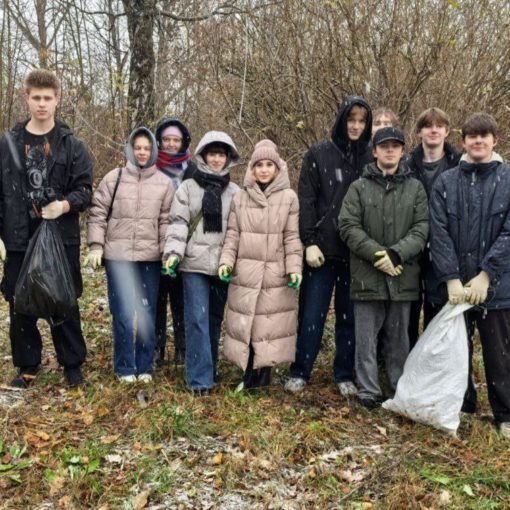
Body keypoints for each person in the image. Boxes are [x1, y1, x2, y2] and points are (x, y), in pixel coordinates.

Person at [0, 69, 93, 388]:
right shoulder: (9, 143)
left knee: (63, 299)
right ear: (26, 98)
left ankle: (72, 364)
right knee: (19, 300)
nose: (42, 104)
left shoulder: (71, 145)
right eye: (36, 98)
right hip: (17, 237)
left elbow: (85, 190)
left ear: (57, 99)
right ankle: (27, 365)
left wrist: (64, 206)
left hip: (60, 237)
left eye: (47, 98)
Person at [285, 96, 373, 396]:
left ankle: (344, 373)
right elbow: (306, 199)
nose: (356, 126)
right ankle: (300, 370)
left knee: (349, 317)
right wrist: (308, 241)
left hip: (356, 253)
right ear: (341, 120)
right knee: (312, 314)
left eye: (362, 121)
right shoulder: (319, 154)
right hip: (321, 250)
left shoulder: (372, 158)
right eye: (351, 119)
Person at [430, 113, 510, 438]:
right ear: (462, 142)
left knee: (500, 353)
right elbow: (439, 233)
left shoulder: (508, 179)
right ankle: (462, 406)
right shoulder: (446, 182)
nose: (478, 141)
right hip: (457, 289)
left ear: (495, 140)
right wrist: (451, 278)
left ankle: (505, 413)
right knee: (455, 350)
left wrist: (487, 274)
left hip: (499, 287)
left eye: (484, 135)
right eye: (472, 136)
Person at [339, 127, 428, 409]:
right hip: (367, 277)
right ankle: (368, 390)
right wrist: (378, 256)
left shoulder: (415, 188)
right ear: (374, 151)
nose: (390, 150)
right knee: (365, 338)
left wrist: (396, 254)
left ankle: (397, 387)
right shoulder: (358, 187)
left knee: (399, 338)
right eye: (384, 146)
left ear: (402, 151)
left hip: (403, 276)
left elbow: (422, 228)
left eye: (395, 146)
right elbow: (348, 226)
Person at [87, 127, 174, 383]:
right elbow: (98, 212)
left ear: (154, 150)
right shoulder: (114, 178)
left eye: (147, 148)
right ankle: (125, 366)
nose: (142, 152)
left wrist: (167, 252)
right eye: (138, 147)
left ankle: (145, 366)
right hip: (119, 257)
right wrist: (95, 245)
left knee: (147, 313)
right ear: (130, 149)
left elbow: (166, 221)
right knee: (123, 313)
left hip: (150, 258)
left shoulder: (163, 183)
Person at [219, 140, 302, 389]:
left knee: (269, 325)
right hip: (246, 271)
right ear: (252, 169)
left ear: (277, 168)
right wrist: (226, 262)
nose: (264, 170)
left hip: (275, 273)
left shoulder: (289, 198)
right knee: (248, 323)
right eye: (259, 165)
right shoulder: (240, 198)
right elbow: (233, 235)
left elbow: (291, 237)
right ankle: (247, 370)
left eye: (269, 165)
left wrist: (294, 268)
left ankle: (263, 373)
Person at [162, 131, 240, 395]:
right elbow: (178, 223)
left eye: (221, 154)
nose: (217, 159)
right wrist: (173, 253)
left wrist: (230, 261)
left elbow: (236, 231)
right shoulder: (188, 187)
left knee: (214, 319)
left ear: (228, 157)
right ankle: (199, 379)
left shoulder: (236, 192)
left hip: (222, 266)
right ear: (204, 155)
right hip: (193, 264)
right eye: (212, 154)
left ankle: (210, 366)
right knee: (196, 318)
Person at [405, 108, 461, 347]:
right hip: (412, 245)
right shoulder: (406, 164)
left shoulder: (459, 164)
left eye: (439, 126)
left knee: (437, 308)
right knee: (408, 308)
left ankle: (432, 364)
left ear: (447, 131)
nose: (434, 130)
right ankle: (405, 365)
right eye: (428, 126)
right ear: (419, 132)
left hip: (446, 245)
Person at [153, 117, 197, 367]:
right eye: (167, 139)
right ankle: (157, 347)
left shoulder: (192, 170)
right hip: (155, 240)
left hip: (185, 242)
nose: (171, 143)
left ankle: (182, 347)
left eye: (176, 139)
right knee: (157, 298)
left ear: (183, 142)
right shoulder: (150, 167)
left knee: (181, 299)